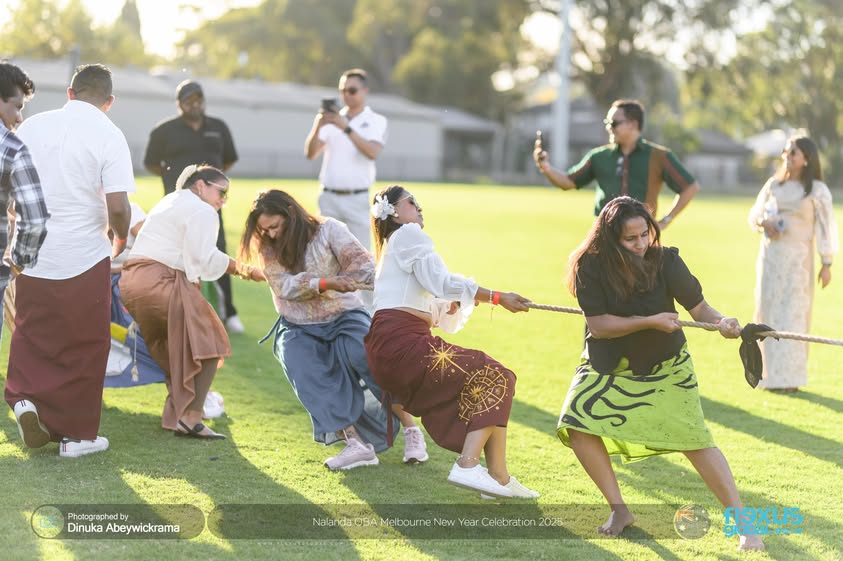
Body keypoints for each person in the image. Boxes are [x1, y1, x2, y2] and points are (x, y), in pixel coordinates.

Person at [557, 196, 764, 550]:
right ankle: (620, 510)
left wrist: (722, 322)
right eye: (630, 239)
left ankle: (744, 525)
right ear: (610, 238)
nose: (641, 245)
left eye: (645, 235)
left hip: (666, 362)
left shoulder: (666, 260)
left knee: (695, 440)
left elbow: (699, 308)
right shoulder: (589, 266)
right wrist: (650, 321)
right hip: (609, 360)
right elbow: (600, 326)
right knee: (576, 423)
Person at [364, 185, 538, 499]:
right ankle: (468, 465)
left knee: (491, 380)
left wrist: (455, 303)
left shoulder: (392, 247)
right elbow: (442, 283)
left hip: (389, 348)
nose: (419, 208)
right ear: (393, 211)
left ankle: (498, 477)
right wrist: (496, 297)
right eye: (412, 202)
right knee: (497, 376)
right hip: (401, 344)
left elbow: (429, 305)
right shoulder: (407, 235)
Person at [239, 189, 428, 470]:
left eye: (275, 227)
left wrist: (409, 291)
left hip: (344, 314)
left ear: (291, 214)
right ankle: (355, 444)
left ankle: (413, 430)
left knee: (369, 359)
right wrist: (326, 283)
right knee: (304, 370)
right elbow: (284, 287)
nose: (271, 235)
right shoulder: (267, 246)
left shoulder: (330, 230)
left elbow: (364, 267)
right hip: (297, 324)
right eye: (265, 230)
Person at [6, 63, 132, 458]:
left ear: (70, 92)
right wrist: (122, 237)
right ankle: (76, 436)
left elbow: (11, 191)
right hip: (83, 252)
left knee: (31, 332)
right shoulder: (110, 135)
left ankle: (24, 399)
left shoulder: (32, 125)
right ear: (109, 101)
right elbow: (119, 207)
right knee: (85, 343)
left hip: (32, 250)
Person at [119, 165, 265, 439]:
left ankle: (177, 415)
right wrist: (245, 270)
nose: (223, 200)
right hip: (160, 281)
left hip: (132, 284)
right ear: (200, 186)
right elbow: (204, 257)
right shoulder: (202, 210)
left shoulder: (170, 201)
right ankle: (191, 418)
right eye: (221, 192)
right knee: (211, 343)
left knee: (178, 347)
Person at [143, 80, 244, 333]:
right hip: (177, 206)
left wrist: (210, 187)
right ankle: (174, 310)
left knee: (216, 250)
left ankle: (228, 312)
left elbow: (228, 160)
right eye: (189, 100)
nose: (195, 103)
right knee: (175, 255)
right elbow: (152, 163)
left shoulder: (218, 127)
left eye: (198, 99)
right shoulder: (164, 130)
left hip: (210, 205)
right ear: (179, 103)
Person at [747, 135, 838, 392]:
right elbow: (754, 214)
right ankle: (768, 377)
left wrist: (827, 262)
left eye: (794, 152)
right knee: (769, 311)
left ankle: (791, 380)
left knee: (793, 315)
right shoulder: (773, 185)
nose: (788, 155)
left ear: (807, 159)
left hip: (799, 260)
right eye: (786, 150)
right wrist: (764, 223)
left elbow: (825, 227)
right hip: (771, 257)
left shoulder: (816, 190)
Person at [534, 99, 699, 228]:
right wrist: (545, 167)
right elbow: (567, 182)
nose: (609, 128)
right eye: (607, 123)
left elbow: (690, 187)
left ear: (633, 124)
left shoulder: (659, 156)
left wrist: (666, 220)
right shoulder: (599, 156)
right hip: (603, 238)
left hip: (641, 241)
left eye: (614, 123)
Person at [304, 68, 387, 250]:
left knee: (361, 257)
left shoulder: (376, 120)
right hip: (329, 198)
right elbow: (310, 154)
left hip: (356, 199)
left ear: (365, 91)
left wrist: (346, 128)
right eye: (342, 91)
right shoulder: (332, 120)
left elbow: (372, 152)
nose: (346, 95)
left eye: (352, 90)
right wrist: (318, 125)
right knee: (325, 256)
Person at [0, 61, 49, 343]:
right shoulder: (12, 148)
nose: (19, 118)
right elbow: (35, 219)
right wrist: (18, 262)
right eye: (16, 106)